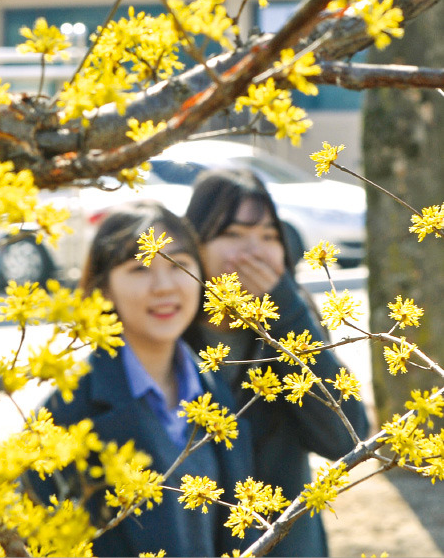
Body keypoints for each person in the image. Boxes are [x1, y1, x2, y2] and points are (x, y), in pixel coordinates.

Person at [24, 200, 258, 557]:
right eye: (140, 268)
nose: (163, 286)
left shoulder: (216, 391)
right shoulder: (66, 414)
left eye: (179, 265)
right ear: (103, 290)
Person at [184, 168, 370, 557]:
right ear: (194, 245)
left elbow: (344, 438)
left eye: (269, 236)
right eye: (232, 235)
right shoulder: (169, 331)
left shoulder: (295, 319)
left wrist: (286, 313)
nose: (253, 252)